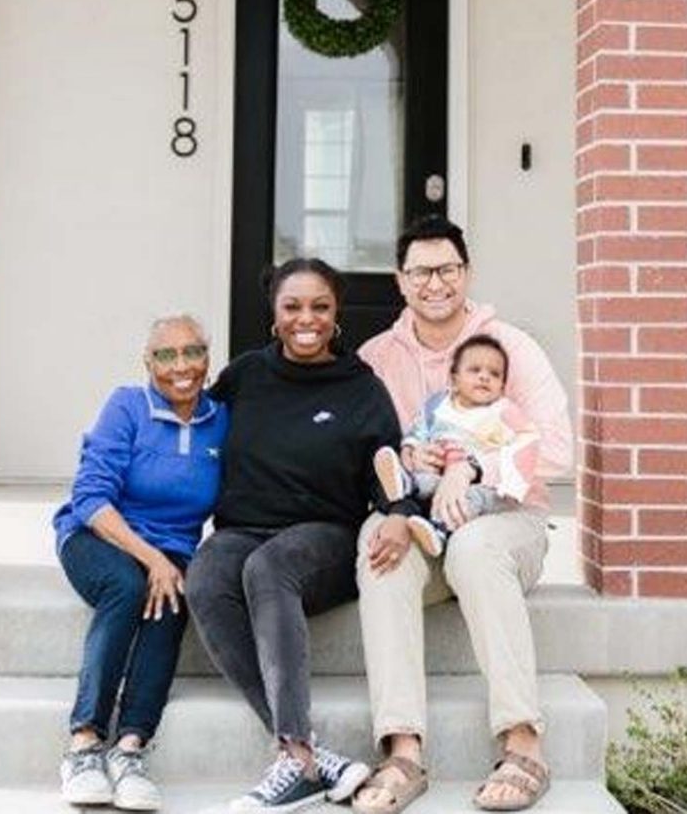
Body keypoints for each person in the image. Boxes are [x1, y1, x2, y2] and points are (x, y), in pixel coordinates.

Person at [353, 215, 573, 814]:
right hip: (421, 526)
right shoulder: (376, 357)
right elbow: (358, 458)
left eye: (447, 269)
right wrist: (409, 455)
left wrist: (471, 465)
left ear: (466, 273)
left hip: (504, 521)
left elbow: (557, 449)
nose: (435, 283)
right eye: (421, 271)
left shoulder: (508, 347)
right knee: (380, 540)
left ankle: (523, 742)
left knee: (475, 550)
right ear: (401, 281)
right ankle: (402, 749)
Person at [185, 258, 405, 812]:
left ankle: (296, 751)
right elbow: (189, 425)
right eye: (292, 307)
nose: (305, 319)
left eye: (320, 307)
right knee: (208, 575)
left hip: (326, 535)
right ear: (274, 314)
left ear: (336, 317)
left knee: (269, 568)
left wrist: (399, 512)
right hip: (245, 527)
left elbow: (385, 462)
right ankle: (305, 756)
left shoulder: (361, 387)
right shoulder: (245, 375)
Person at [52, 315, 228, 811]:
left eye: (191, 352)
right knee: (128, 587)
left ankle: (130, 747)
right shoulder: (126, 405)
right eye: (165, 355)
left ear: (207, 359)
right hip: (97, 535)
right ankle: (84, 744)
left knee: (170, 601)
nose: (180, 367)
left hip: (173, 548)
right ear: (147, 362)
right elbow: (89, 497)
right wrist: (152, 558)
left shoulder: (221, 419)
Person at [373, 333, 542, 558]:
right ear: (454, 379)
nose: (484, 377)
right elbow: (418, 430)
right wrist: (411, 450)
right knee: (426, 481)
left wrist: (480, 467)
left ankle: (440, 530)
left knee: (471, 499)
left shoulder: (504, 411)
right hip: (440, 473)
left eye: (494, 374)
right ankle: (406, 485)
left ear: (502, 385)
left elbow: (527, 441)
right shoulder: (438, 404)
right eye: (475, 370)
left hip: (483, 485)